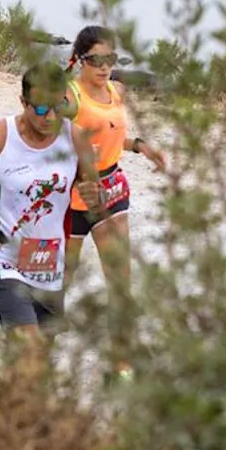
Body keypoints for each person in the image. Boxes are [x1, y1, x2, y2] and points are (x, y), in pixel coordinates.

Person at [0, 61, 109, 345]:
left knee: (38, 354)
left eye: (58, 106)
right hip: (1, 258)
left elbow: (95, 195)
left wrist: (95, 197)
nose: (50, 116)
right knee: (27, 346)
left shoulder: (76, 139)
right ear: (23, 102)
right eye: (40, 108)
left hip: (50, 261)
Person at [63, 26, 164, 374]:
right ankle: (35, 348)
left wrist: (141, 146)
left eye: (111, 59)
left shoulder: (114, 92)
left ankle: (122, 366)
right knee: (61, 277)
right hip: (71, 196)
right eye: (96, 60)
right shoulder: (71, 97)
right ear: (79, 60)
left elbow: (111, 136)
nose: (104, 67)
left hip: (111, 189)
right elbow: (42, 134)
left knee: (120, 280)